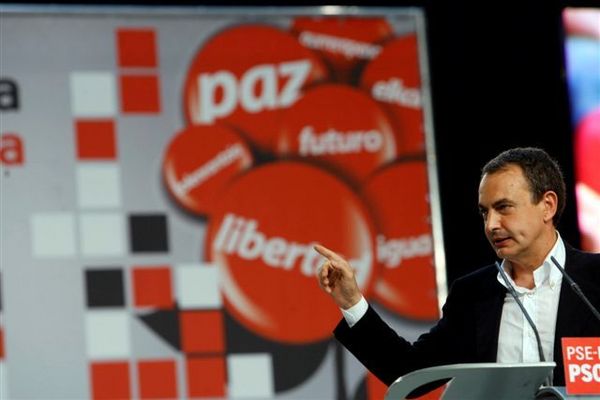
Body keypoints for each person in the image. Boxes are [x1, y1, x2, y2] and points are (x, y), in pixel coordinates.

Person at [315, 147, 600, 392]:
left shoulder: (594, 281)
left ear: (547, 205)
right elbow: (408, 372)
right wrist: (351, 301)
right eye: (485, 212)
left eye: (504, 207)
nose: (491, 225)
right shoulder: (473, 294)